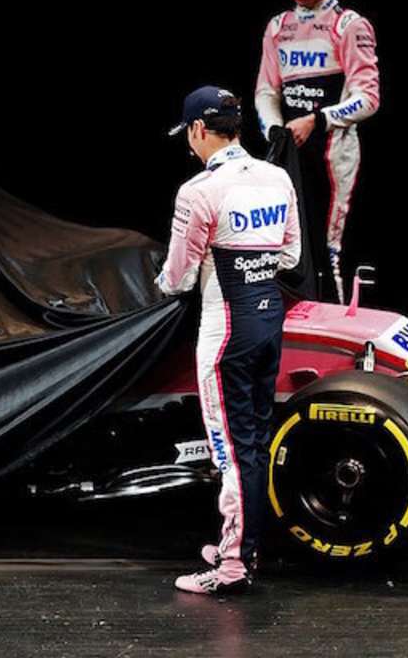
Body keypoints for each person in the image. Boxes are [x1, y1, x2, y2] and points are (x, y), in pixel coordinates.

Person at [156, 85, 301, 595]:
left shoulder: (198, 190)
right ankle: (244, 545)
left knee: (232, 453)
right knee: (255, 442)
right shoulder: (278, 177)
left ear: (198, 130)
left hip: (225, 336)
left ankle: (233, 566)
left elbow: (176, 278)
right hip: (268, 324)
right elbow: (289, 258)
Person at [255, 0, 380, 304]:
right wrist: (273, 129)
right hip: (290, 153)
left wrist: (318, 120)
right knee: (292, 247)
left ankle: (343, 333)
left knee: (332, 251)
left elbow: (369, 98)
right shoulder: (279, 27)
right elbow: (266, 91)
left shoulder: (349, 25)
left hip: (333, 155)